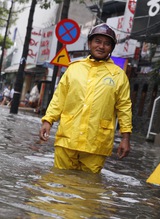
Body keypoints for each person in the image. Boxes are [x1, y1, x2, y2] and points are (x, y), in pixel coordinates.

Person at [39, 23, 132, 174]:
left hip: (96, 143)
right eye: (97, 41)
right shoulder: (74, 68)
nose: (101, 46)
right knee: (59, 179)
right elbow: (59, 98)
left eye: (107, 43)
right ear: (89, 43)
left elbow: (124, 108)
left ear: (111, 48)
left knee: (88, 189)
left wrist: (126, 138)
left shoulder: (119, 75)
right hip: (67, 138)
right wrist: (48, 120)